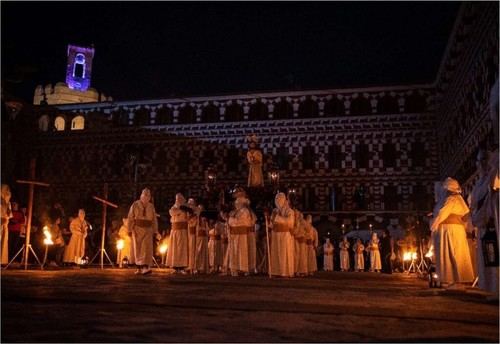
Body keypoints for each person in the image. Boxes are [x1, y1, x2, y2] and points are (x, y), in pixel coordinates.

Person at [431, 178, 474, 289]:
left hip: (450, 230)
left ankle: (457, 281)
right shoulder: (454, 199)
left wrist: (433, 225)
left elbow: (441, 214)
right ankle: (453, 280)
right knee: (451, 254)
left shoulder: (452, 199)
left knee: (453, 254)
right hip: (451, 230)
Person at [127, 188, 160, 275]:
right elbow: (130, 217)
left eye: (148, 195)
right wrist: (129, 229)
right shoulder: (135, 204)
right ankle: (139, 267)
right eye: (145, 195)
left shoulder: (151, 206)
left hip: (148, 230)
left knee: (146, 248)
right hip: (137, 229)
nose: (146, 197)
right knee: (137, 248)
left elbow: (154, 219)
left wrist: (155, 231)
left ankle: (145, 267)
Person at [270, 193, 295, 277]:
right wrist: (269, 221)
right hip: (276, 234)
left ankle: (285, 271)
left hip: (285, 234)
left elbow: (290, 222)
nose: (277, 201)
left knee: (284, 252)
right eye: (276, 199)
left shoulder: (289, 211)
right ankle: (276, 271)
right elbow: (272, 223)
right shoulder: (275, 211)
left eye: (279, 199)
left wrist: (277, 218)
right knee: (276, 252)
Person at [227, 196, 254, 276]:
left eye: (237, 203)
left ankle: (243, 268)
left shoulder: (245, 211)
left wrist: (233, 220)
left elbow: (242, 221)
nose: (236, 204)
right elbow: (230, 221)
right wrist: (233, 221)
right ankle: (235, 268)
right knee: (235, 252)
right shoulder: (236, 211)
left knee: (242, 251)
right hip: (235, 235)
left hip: (242, 234)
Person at [166, 193, 189, 273]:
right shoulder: (174, 207)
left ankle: (182, 266)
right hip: (175, 231)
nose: (178, 200)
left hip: (183, 231)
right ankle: (175, 266)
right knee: (175, 249)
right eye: (177, 199)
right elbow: (172, 212)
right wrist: (181, 209)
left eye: (179, 199)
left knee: (182, 249)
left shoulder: (186, 208)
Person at [187, 198, 200, 274]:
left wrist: (193, 215)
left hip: (195, 233)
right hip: (190, 233)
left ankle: (195, 266)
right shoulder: (188, 212)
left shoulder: (197, 211)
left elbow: (195, 219)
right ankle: (190, 266)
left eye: (192, 203)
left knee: (195, 249)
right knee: (190, 250)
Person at [293, 210, 308, 276]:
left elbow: (307, 230)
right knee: (296, 256)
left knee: (301, 256)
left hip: (301, 241)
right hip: (295, 240)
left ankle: (302, 270)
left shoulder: (302, 222)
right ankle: (296, 270)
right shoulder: (295, 222)